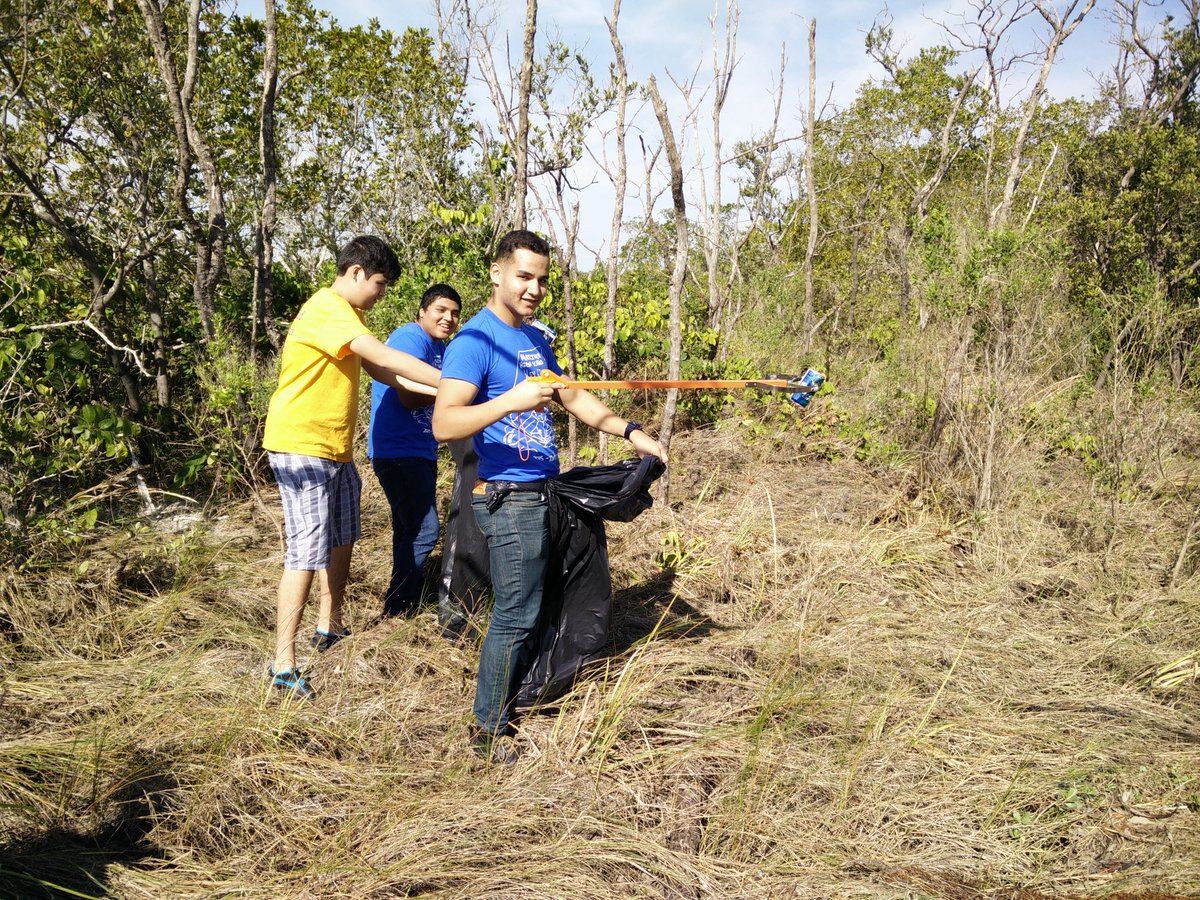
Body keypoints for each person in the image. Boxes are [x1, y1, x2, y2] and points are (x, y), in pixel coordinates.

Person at [432, 229, 666, 761]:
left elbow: (575, 397)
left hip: (545, 492)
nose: (534, 288)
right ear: (497, 274)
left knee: (538, 605)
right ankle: (488, 732)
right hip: (506, 498)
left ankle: (525, 692)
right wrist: (511, 400)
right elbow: (445, 424)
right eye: (524, 276)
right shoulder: (474, 342)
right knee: (516, 612)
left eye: (541, 279)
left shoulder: (537, 340)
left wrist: (630, 431)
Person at [262, 236, 442, 701]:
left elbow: (381, 371)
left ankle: (330, 624)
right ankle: (284, 663)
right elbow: (385, 357)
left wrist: (447, 391)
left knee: (343, 534)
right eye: (380, 283)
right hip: (303, 446)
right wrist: (453, 380)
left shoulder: (351, 317)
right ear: (357, 272)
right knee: (307, 549)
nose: (381, 293)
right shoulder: (326, 307)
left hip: (336, 450)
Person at [368, 283, 462, 618]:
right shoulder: (411, 337)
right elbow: (408, 395)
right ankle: (399, 607)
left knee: (407, 531)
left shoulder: (438, 347)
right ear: (422, 311)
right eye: (441, 310)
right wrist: (459, 393)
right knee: (425, 530)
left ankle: (396, 606)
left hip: (418, 450)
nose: (448, 318)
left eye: (454, 313)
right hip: (399, 451)